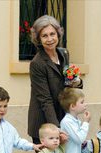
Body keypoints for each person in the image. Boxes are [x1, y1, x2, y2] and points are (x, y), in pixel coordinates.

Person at [28, 15, 82, 144]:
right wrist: (56, 129)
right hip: (44, 123)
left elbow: (68, 83)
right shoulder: (37, 63)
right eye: (44, 36)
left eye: (52, 34)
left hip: (62, 116)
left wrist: (77, 82)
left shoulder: (64, 53)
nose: (50, 39)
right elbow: (45, 100)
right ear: (38, 39)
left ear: (58, 34)